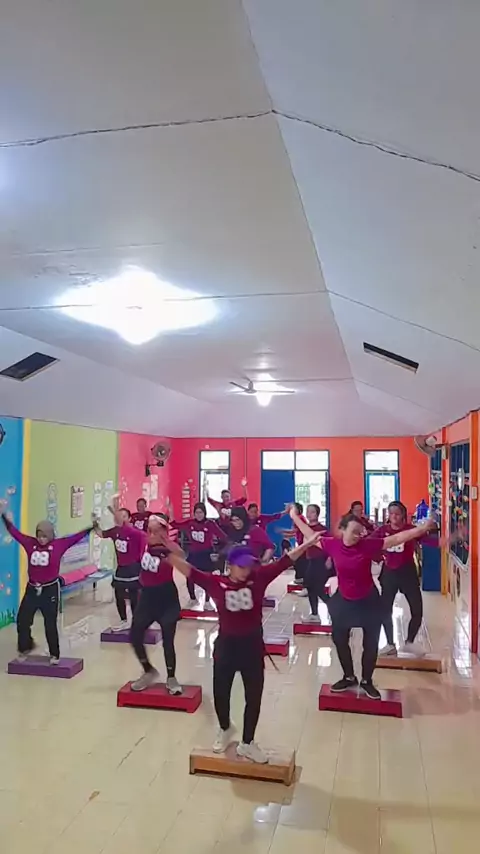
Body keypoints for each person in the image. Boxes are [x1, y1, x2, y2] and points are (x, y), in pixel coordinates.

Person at [166, 529, 323, 762]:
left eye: (249, 565)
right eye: (241, 566)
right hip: (226, 646)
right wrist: (167, 555)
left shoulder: (259, 577)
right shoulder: (216, 583)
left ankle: (247, 743)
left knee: (254, 696)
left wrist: (307, 543)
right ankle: (225, 728)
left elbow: (285, 561)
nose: (246, 570)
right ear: (230, 565)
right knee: (221, 692)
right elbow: (191, 572)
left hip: (252, 646)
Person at [291, 506, 436, 699]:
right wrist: (294, 516)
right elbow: (309, 534)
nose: (358, 536)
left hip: (368, 599)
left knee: (371, 641)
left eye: (360, 532)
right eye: (354, 532)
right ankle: (349, 676)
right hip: (344, 600)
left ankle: (367, 680)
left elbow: (396, 539)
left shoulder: (367, 545)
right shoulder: (332, 544)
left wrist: (422, 528)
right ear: (342, 530)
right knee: (339, 638)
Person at [0, 500, 97, 664]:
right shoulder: (30, 543)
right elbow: (15, 533)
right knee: (23, 620)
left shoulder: (59, 545)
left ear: (50, 535)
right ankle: (25, 647)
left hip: (50, 589)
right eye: (39, 535)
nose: (41, 539)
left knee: (49, 623)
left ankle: (54, 654)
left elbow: (75, 537)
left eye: (44, 536)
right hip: (32, 589)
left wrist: (92, 528)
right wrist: (3, 515)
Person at [375, 501, 436, 657]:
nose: (394, 517)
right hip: (389, 573)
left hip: (407, 573)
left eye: (397, 514)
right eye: (391, 513)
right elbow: (368, 545)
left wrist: (450, 539)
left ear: (403, 515)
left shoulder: (411, 530)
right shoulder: (382, 530)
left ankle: (409, 642)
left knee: (417, 610)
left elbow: (432, 541)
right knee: (385, 610)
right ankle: (390, 644)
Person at [129, 514, 182, 694]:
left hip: (167, 597)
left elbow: (182, 555)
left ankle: (171, 677)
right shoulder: (143, 543)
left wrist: (166, 542)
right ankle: (148, 670)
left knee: (168, 639)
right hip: (147, 597)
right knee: (135, 634)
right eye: (149, 530)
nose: (152, 534)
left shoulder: (169, 548)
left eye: (156, 530)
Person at [95, 504, 146, 631]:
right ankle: (124, 620)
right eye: (119, 516)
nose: (120, 519)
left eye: (124, 516)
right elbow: (101, 534)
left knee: (134, 595)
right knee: (119, 594)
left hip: (133, 568)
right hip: (121, 568)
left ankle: (137, 621)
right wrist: (94, 524)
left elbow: (144, 544)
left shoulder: (136, 533)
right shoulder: (115, 531)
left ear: (129, 518)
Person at [172, 502, 226, 609]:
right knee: (189, 577)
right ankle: (193, 599)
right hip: (194, 555)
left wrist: (222, 550)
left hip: (206, 554)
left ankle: (207, 602)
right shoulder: (190, 523)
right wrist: (171, 511)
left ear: (204, 513)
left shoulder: (210, 524)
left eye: (201, 512)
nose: (199, 515)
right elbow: (175, 525)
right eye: (196, 512)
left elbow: (223, 536)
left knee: (207, 579)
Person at [299, 504, 332, 624]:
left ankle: (335, 610)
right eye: (308, 511)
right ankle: (314, 614)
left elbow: (331, 545)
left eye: (312, 512)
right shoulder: (305, 528)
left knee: (318, 589)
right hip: (310, 560)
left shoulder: (322, 529)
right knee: (310, 587)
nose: (309, 514)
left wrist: (329, 559)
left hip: (320, 561)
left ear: (317, 514)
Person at [277, 502, 308, 592]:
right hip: (301, 544)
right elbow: (295, 533)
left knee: (299, 561)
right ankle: (300, 578)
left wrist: (283, 531)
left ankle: (302, 579)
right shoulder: (298, 519)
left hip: (303, 544)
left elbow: (294, 531)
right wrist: (286, 534)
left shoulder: (299, 518)